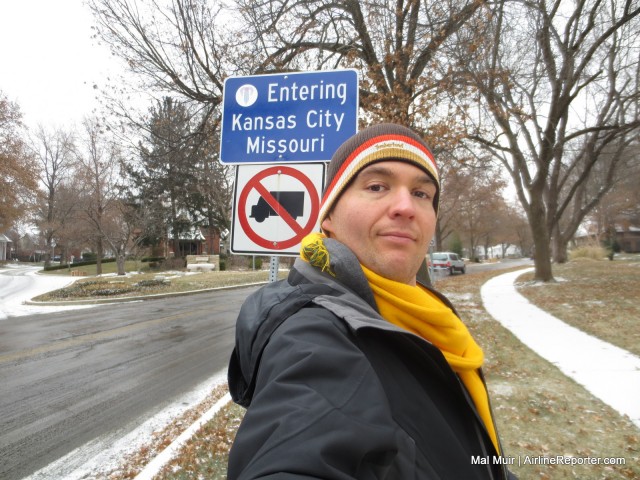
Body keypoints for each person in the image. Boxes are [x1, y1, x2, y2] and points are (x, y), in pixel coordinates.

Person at [227, 123, 514, 479]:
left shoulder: (434, 319)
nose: (406, 207)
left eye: (422, 194)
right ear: (328, 216)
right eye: (377, 186)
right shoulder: (312, 334)